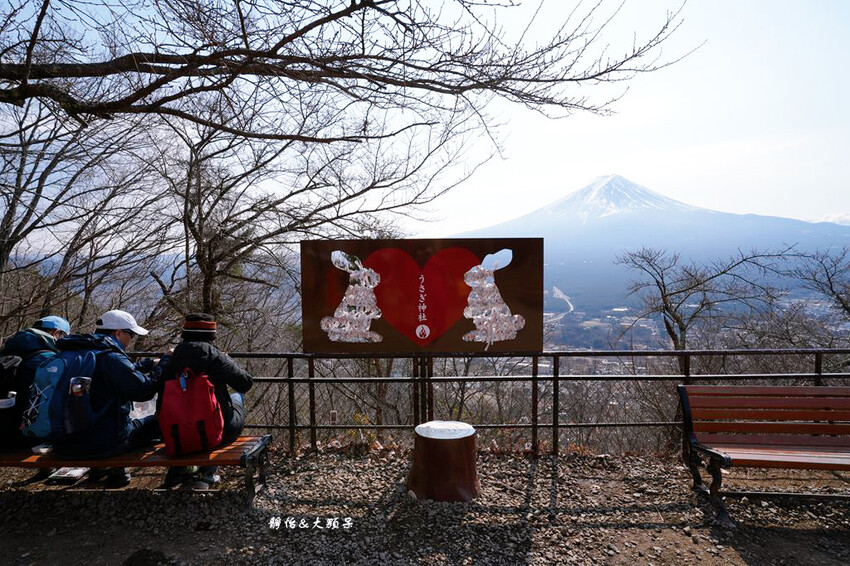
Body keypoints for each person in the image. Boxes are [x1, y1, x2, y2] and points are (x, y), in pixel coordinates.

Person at [54, 309, 165, 485]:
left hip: (62, 441)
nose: (131, 339)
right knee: (158, 422)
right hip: (103, 444)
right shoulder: (111, 357)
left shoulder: (77, 353)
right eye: (131, 334)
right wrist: (163, 364)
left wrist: (148, 364)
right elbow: (145, 391)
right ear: (118, 332)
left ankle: (103, 472)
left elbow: (116, 374)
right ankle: (118, 472)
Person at [159, 313, 253, 489]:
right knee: (236, 397)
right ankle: (208, 473)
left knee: (190, 418)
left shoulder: (173, 358)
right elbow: (245, 383)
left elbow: (158, 387)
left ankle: (182, 470)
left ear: (184, 332)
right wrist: (227, 360)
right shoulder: (215, 356)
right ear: (211, 334)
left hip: (176, 432)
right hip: (217, 432)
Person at [0, 316, 71, 448]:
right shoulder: (50, 360)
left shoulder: (5, 353)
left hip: (3, 432)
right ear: (56, 333)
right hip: (28, 436)